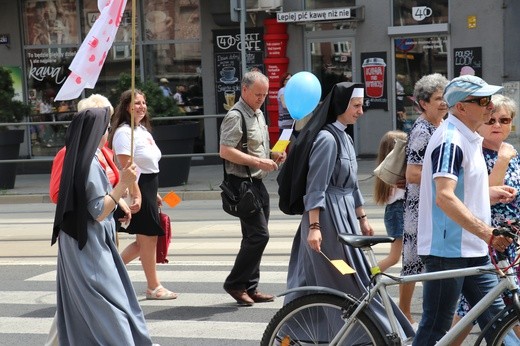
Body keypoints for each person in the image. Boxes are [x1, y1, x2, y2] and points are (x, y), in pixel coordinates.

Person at [283, 82, 414, 341]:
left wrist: (362, 217)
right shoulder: (327, 139)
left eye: (361, 105)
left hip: (343, 217)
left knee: (341, 277)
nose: (361, 111)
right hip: (328, 218)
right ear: (341, 106)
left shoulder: (344, 136)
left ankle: (349, 333)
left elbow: (352, 184)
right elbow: (315, 187)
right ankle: (359, 333)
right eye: (356, 105)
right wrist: (314, 227)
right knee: (340, 277)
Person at [413, 75, 518, 345]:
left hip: (473, 249)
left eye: (489, 99)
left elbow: (460, 191)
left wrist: (487, 195)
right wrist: (488, 233)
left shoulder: (467, 137)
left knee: (499, 323)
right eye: (482, 101)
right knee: (435, 329)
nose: (490, 106)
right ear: (460, 107)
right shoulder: (451, 140)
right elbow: (445, 197)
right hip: (448, 251)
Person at [51, 108, 155, 345]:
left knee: (86, 301)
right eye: (107, 128)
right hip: (88, 243)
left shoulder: (82, 156)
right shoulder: (89, 162)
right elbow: (98, 211)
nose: (108, 132)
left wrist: (118, 200)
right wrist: (124, 184)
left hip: (82, 240)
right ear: (98, 131)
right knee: (110, 301)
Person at [451, 94, 520, 345]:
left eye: (504, 120)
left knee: (506, 307)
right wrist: (502, 159)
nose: (497, 125)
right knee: (475, 308)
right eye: (491, 120)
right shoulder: (475, 154)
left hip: (512, 245)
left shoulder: (515, 156)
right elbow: (485, 197)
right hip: (487, 241)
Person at [219, 70, 286, 306]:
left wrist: (272, 154)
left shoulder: (257, 113)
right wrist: (259, 162)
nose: (261, 99)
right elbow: (225, 151)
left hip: (257, 182)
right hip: (242, 183)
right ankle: (235, 284)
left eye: (265, 95)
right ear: (244, 90)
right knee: (259, 235)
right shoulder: (236, 116)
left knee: (254, 237)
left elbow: (254, 147)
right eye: (258, 94)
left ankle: (250, 286)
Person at [109, 89, 178, 300]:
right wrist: (137, 194)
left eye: (143, 102)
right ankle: (153, 286)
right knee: (148, 239)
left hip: (148, 186)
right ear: (126, 107)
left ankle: (109, 274)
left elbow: (148, 164)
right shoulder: (123, 133)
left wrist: (153, 193)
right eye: (136, 103)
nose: (141, 106)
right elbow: (126, 167)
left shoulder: (142, 131)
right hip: (137, 187)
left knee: (144, 241)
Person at [401, 73, 448, 327]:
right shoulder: (423, 129)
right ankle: (404, 312)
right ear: (423, 103)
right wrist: (445, 180)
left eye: (445, 98)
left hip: (432, 204)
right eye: (438, 99)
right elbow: (412, 173)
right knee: (412, 263)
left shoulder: (440, 125)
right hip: (419, 207)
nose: (443, 103)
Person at [373, 130, 407, 272]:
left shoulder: (387, 174)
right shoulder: (397, 172)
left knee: (401, 257)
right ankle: (367, 276)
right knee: (394, 257)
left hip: (395, 211)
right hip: (398, 211)